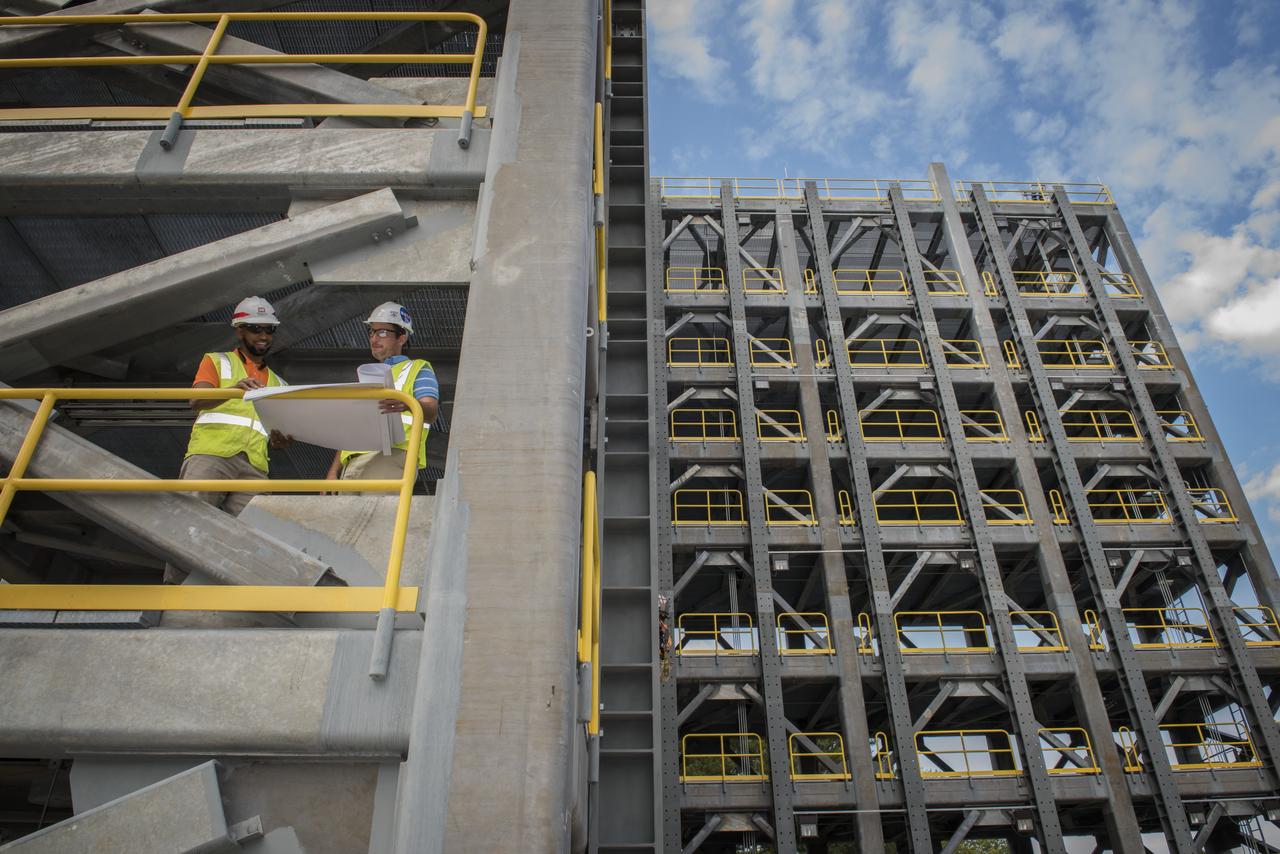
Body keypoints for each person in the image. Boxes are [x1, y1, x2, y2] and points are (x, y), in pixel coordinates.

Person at [326, 301, 439, 483]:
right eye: (371, 332)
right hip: (353, 463)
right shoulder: (367, 376)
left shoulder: (417, 368)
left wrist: (406, 404)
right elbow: (352, 427)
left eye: (383, 332)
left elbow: (431, 411)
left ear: (402, 338)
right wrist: (333, 472)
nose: (374, 338)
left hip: (391, 457)